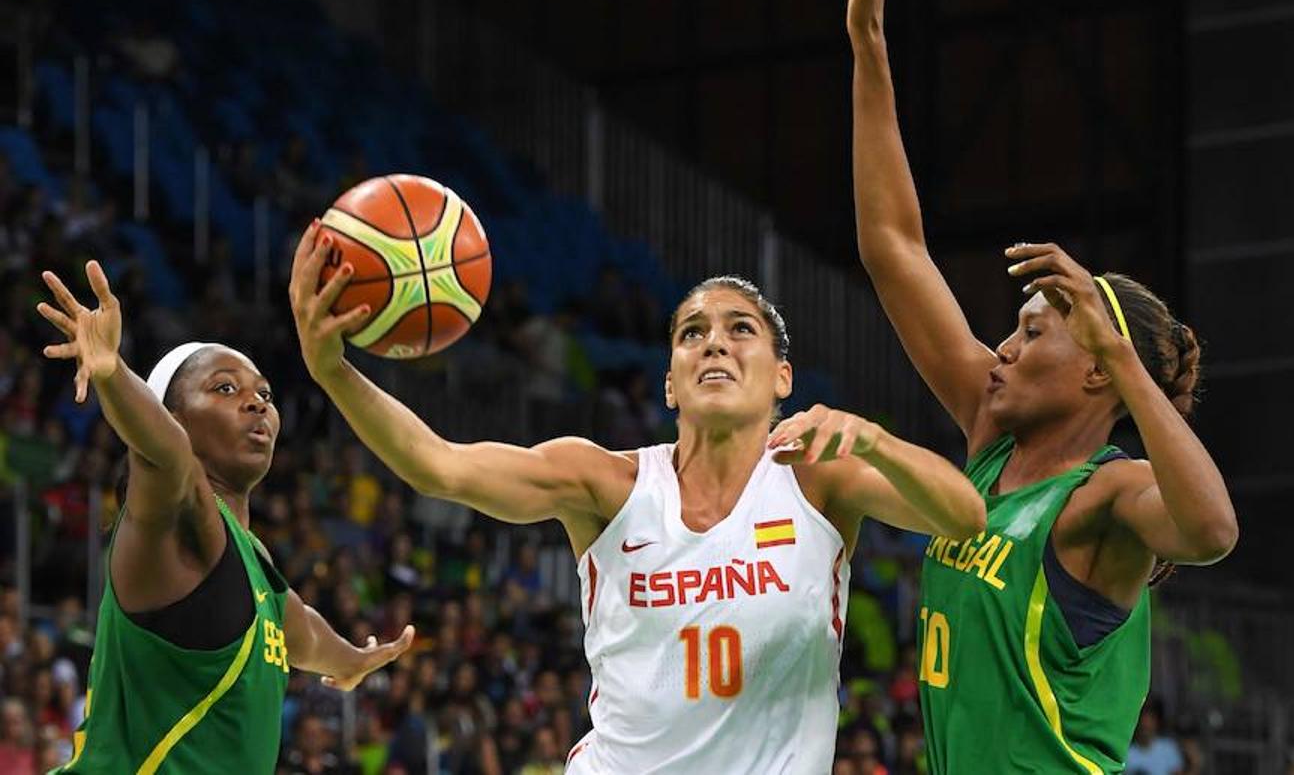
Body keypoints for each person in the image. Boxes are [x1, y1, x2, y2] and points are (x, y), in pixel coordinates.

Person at [288, 223, 986, 774]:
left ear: (782, 378)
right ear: (669, 386)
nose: (714, 343)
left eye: (740, 329)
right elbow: (438, 466)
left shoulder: (819, 480)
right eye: (692, 334)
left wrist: (875, 442)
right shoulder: (605, 482)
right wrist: (333, 373)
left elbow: (966, 516)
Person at [847, 0, 1239, 774]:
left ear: (1098, 369)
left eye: (1033, 332)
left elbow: (1213, 531)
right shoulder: (990, 438)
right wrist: (868, 48)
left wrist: (1118, 350)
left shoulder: (1110, 497)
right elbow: (893, 246)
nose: (1006, 348)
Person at [35, 261, 412, 773]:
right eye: (225, 389)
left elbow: (301, 631)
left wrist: (352, 660)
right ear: (172, 416)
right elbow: (166, 454)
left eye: (265, 394)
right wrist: (114, 372)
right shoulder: (174, 519)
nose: (257, 403)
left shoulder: (252, 560)